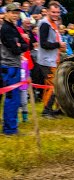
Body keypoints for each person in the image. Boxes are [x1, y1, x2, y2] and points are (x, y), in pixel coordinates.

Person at [1, 3, 28, 135]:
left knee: (14, 99)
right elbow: (16, 49)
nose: (15, 15)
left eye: (17, 13)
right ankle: (10, 130)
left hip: (14, 66)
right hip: (9, 67)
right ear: (6, 13)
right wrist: (20, 45)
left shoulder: (14, 27)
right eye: (13, 13)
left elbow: (25, 45)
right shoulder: (6, 28)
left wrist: (20, 45)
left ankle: (10, 127)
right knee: (12, 99)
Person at [37, 1, 66, 118]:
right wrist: (58, 45)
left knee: (51, 86)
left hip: (53, 59)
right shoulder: (45, 24)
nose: (56, 14)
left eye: (58, 12)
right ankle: (46, 111)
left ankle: (49, 109)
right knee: (53, 86)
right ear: (48, 11)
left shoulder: (53, 23)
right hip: (46, 60)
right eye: (53, 12)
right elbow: (43, 44)